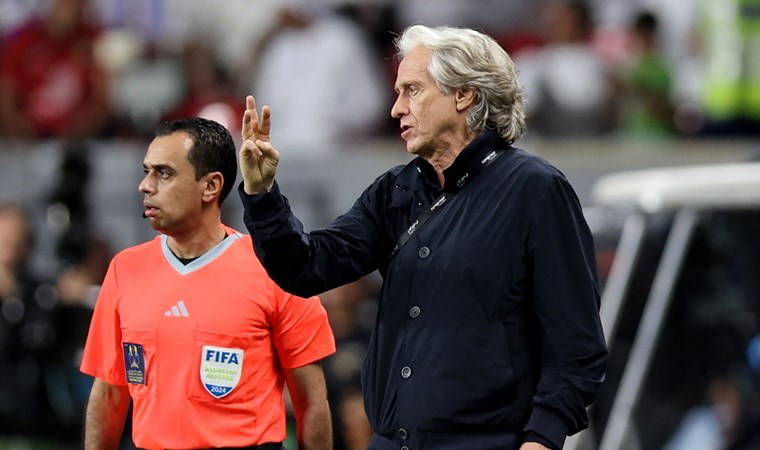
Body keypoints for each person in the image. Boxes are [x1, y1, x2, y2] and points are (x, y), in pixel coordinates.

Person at [238, 25, 607, 450]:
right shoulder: (394, 190)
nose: (396, 108)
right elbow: (305, 268)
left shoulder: (535, 189)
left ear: (463, 94)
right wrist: (262, 195)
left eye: (412, 90)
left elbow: (577, 344)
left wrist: (542, 439)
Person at [80, 118, 335, 449]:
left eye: (164, 173)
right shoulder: (124, 269)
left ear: (211, 186)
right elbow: (109, 394)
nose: (145, 185)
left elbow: (311, 403)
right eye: (146, 171)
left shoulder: (275, 269)